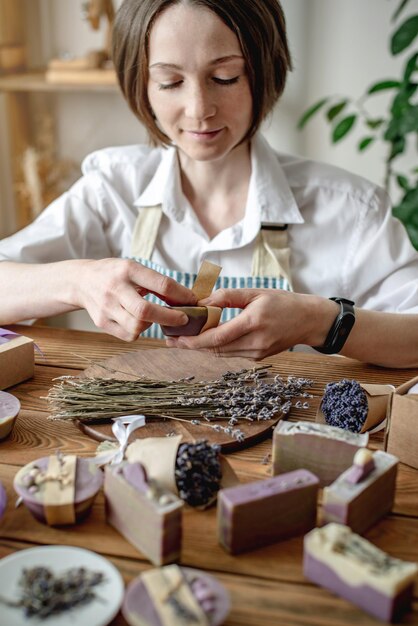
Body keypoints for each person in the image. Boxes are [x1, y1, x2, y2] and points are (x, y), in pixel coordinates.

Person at [0, 0, 417, 368]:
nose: (199, 109)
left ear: (264, 70)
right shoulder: (114, 187)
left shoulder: (349, 208)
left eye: (225, 77)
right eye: (170, 82)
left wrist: (318, 322)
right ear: (141, 86)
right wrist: (79, 282)